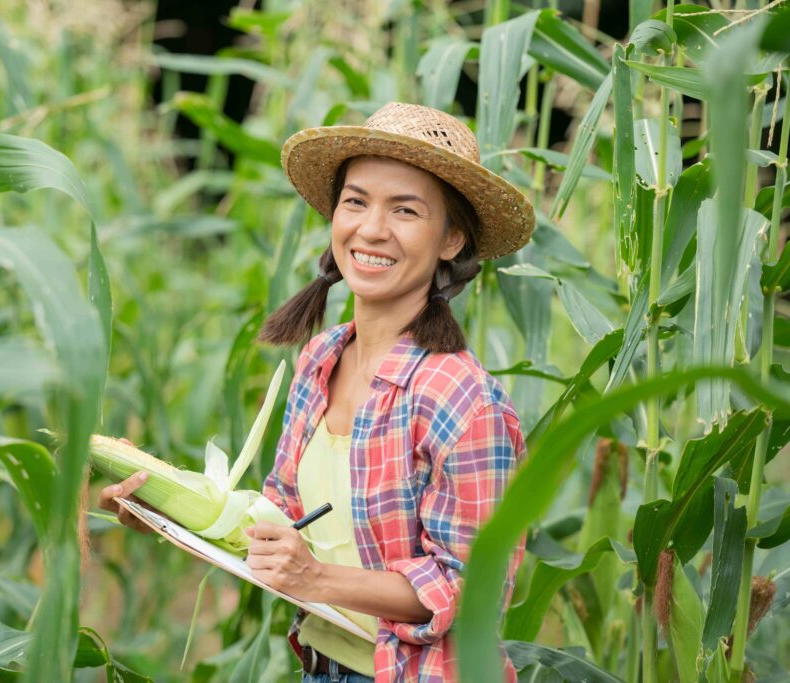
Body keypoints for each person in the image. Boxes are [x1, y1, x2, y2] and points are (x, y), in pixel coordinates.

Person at [100, 101, 534, 683]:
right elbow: (283, 518)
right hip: (323, 667)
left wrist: (315, 579)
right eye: (356, 202)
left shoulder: (461, 398)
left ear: (452, 239)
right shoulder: (321, 358)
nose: (371, 228)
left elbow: (471, 587)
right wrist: (164, 506)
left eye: (405, 210)